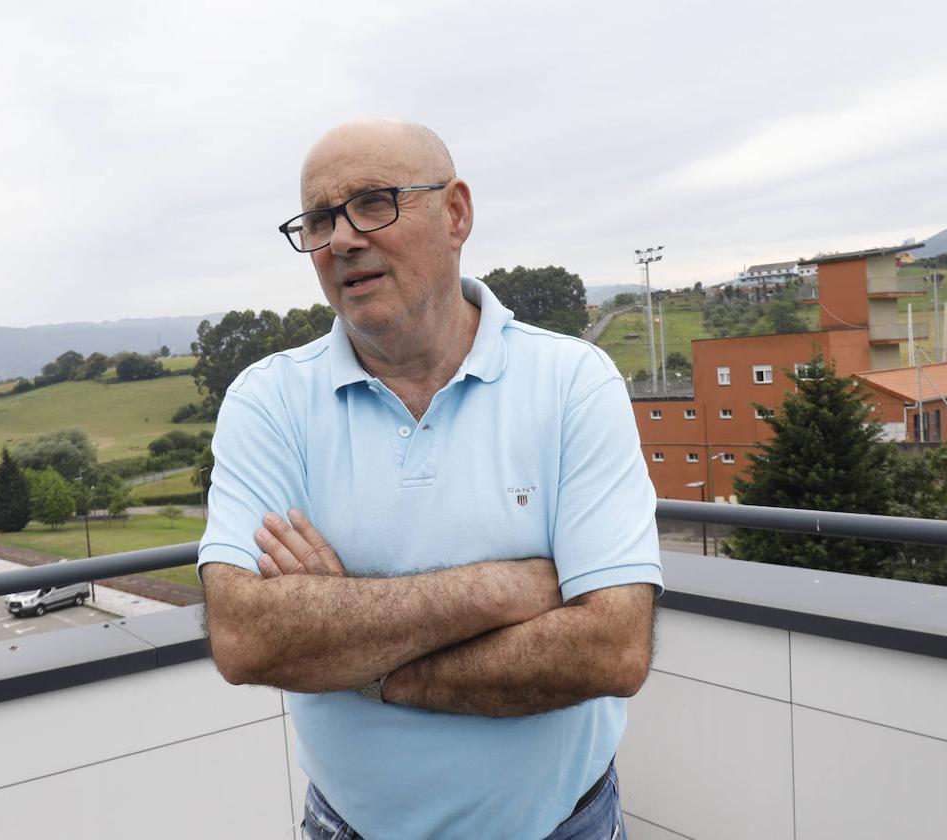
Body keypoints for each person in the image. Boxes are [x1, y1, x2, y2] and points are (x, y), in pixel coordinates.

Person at [199, 118, 661, 840]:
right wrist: (505, 589)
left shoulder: (572, 381)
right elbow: (246, 638)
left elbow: (612, 648)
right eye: (319, 219)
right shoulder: (269, 401)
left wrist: (363, 661)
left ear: (455, 214)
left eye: (373, 202)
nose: (342, 238)